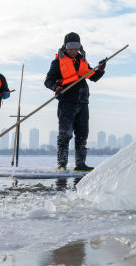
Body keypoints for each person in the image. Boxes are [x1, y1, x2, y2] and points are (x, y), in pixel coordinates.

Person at [44, 32, 106, 172]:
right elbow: (48, 80)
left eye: (76, 47)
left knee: (82, 134)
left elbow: (93, 77)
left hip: (83, 102)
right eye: (70, 47)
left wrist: (101, 68)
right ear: (65, 47)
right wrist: (57, 87)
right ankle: (62, 164)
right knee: (65, 134)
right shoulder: (57, 62)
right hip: (67, 102)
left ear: (80, 46)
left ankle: (80, 164)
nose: (73, 50)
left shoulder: (82, 60)